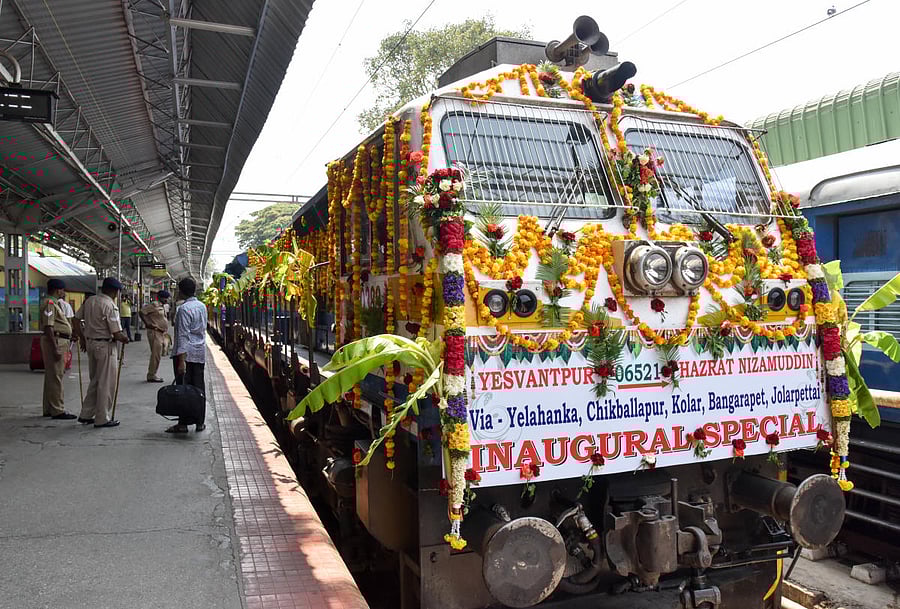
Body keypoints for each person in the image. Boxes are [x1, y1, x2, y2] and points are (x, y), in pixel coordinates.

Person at [73, 277, 129, 428]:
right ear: (114, 291)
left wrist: (82, 339)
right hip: (105, 346)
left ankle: (86, 414)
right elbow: (116, 332)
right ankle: (102, 418)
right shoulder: (110, 306)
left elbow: (76, 320)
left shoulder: (89, 301)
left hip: (91, 343)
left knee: (96, 380)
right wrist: (125, 338)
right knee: (106, 383)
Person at [166, 277, 207, 433]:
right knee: (199, 389)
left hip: (186, 355)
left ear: (180, 291)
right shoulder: (202, 306)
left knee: (183, 389)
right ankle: (200, 422)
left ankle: (183, 423)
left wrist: (181, 361)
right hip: (200, 353)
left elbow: (183, 336)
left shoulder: (183, 309)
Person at [40, 279, 77, 419]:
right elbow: (49, 327)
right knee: (56, 376)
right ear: (57, 290)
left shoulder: (54, 304)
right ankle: (58, 410)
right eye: (62, 290)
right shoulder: (50, 304)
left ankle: (49, 408)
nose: (64, 292)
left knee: (51, 376)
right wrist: (55, 348)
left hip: (59, 339)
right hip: (55, 341)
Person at [140, 290, 170, 383]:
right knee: (155, 355)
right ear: (161, 297)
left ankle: (153, 373)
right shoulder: (154, 305)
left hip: (161, 333)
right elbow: (141, 312)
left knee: (158, 354)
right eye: (165, 298)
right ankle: (151, 375)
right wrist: (147, 323)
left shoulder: (163, 306)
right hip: (154, 332)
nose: (167, 299)